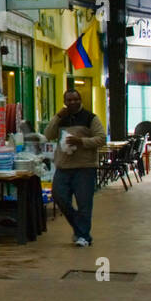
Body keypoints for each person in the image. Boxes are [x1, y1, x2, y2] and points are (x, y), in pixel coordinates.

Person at [43, 89, 105, 247]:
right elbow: (48, 135)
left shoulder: (90, 118)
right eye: (69, 100)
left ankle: (83, 236)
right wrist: (57, 117)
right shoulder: (61, 119)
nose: (72, 102)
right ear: (65, 102)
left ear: (80, 100)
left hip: (85, 168)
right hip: (63, 167)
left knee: (84, 204)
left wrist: (81, 141)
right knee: (59, 196)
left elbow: (101, 139)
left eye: (75, 99)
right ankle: (80, 227)